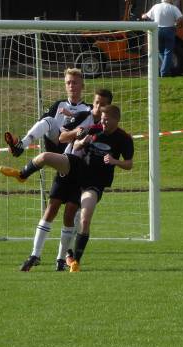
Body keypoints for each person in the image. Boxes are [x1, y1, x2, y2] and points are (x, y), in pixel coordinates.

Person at [0, 105, 134, 272]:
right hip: (77, 167)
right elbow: (74, 144)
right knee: (45, 157)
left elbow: (129, 164)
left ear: (116, 120)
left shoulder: (124, 138)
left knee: (82, 218)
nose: (103, 123)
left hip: (94, 183)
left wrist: (115, 162)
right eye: (102, 119)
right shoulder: (93, 127)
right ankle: (22, 174)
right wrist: (81, 141)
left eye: (106, 120)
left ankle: (73, 260)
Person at [20, 88, 113, 272]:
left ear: (108, 107)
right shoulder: (82, 116)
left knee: (70, 213)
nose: (98, 108)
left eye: (103, 105)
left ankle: (61, 259)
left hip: (83, 175)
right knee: (52, 207)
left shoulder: (108, 130)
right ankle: (35, 254)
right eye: (96, 103)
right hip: (67, 164)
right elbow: (63, 137)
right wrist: (77, 134)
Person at [3, 67, 91, 158]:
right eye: (68, 83)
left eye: (74, 83)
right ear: (65, 86)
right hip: (57, 144)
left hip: (76, 147)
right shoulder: (59, 104)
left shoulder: (87, 109)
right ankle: (21, 146)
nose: (71, 85)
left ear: (82, 86)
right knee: (49, 120)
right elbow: (41, 123)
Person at [142, 0, 183, 78]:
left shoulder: (156, 6)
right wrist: (176, 24)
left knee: (160, 51)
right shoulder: (173, 8)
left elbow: (146, 16)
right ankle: (164, 71)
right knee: (168, 51)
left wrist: (143, 15)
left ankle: (169, 66)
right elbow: (180, 18)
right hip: (169, 30)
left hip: (157, 30)